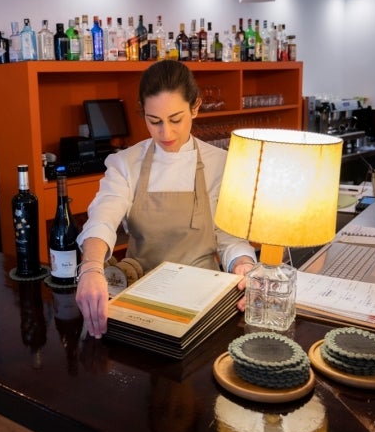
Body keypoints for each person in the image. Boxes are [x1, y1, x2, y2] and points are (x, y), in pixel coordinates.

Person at [75, 59, 257, 339]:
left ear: (195, 107)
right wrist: (91, 268)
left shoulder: (220, 163)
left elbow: (229, 237)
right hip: (140, 298)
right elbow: (102, 218)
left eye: (176, 119)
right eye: (154, 121)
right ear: (142, 113)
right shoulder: (126, 163)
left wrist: (243, 265)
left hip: (203, 301)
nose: (166, 133)